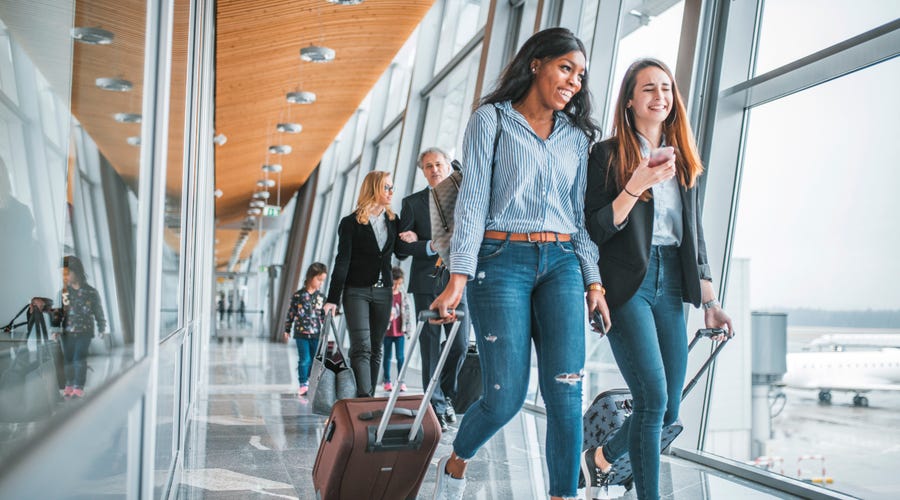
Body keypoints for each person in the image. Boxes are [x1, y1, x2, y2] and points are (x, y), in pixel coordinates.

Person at [429, 27, 609, 500]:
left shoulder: (576, 138)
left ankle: (562, 495)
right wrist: (457, 278)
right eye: (565, 68)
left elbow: (577, 217)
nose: (573, 81)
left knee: (567, 394)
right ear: (537, 63)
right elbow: (472, 203)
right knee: (505, 397)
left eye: (580, 74)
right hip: (500, 261)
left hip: (562, 263)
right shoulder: (491, 120)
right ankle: (460, 454)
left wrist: (595, 282)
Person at [581, 58, 734, 500]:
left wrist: (709, 301)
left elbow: (694, 234)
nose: (660, 97)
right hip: (627, 284)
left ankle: (601, 458)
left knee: (667, 408)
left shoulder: (682, 156)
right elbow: (596, 228)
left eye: (666, 88)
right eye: (648, 89)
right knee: (651, 398)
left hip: (671, 283)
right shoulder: (607, 155)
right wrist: (636, 183)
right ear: (629, 100)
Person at [396, 147, 470, 431]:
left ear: (447, 166)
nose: (434, 169)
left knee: (460, 343)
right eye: (428, 166)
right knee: (429, 345)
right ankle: (435, 406)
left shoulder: (464, 197)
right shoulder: (413, 203)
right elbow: (401, 248)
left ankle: (445, 396)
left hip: (460, 280)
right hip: (427, 281)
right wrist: (427, 245)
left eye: (438, 164)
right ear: (423, 171)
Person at [324, 170, 401, 397]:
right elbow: (342, 262)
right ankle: (364, 400)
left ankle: (369, 398)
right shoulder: (350, 223)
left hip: (384, 291)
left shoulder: (393, 221)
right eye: (386, 187)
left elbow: (401, 253)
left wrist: (422, 243)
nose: (391, 192)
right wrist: (332, 299)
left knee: (376, 347)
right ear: (373, 189)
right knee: (361, 347)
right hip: (355, 291)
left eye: (392, 187)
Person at [32, 256, 107, 398]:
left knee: (79, 358)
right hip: (66, 333)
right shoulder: (63, 293)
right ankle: (70, 384)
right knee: (68, 360)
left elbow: (98, 311)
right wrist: (55, 330)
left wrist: (102, 327)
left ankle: (78, 386)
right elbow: (58, 313)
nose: (64, 277)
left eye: (67, 273)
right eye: (62, 274)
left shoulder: (91, 292)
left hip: (84, 332)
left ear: (77, 271)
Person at [283, 262, 328, 397]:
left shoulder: (321, 297)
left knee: (315, 360)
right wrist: (287, 329)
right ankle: (303, 384)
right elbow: (291, 313)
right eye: (319, 280)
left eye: (322, 281)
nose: (320, 283)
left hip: (316, 334)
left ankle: (311, 382)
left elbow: (323, 315)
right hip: (301, 334)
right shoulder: (298, 296)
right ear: (310, 277)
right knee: (304, 359)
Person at [381, 266, 412, 393]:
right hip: (387, 332)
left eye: (399, 284)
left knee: (400, 357)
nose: (397, 286)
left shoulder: (403, 296)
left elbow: (409, 314)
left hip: (399, 332)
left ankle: (401, 381)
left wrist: (408, 331)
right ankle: (387, 381)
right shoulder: (385, 295)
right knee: (387, 357)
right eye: (395, 283)